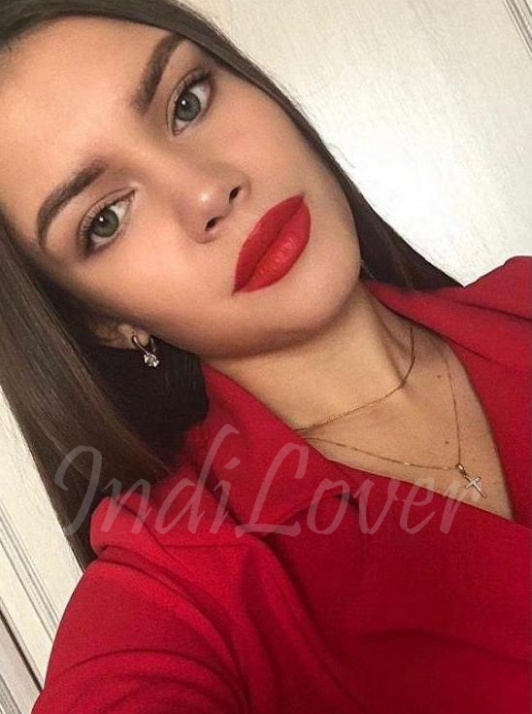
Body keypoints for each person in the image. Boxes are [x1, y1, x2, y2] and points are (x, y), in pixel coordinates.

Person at [0, 1, 529, 712]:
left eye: (187, 103)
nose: (207, 190)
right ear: (105, 322)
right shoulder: (178, 580)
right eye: (106, 219)